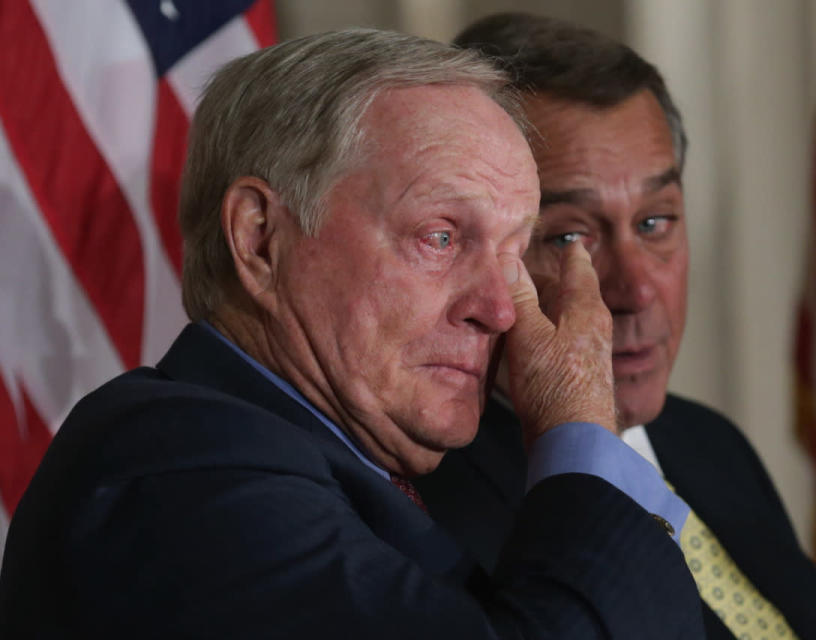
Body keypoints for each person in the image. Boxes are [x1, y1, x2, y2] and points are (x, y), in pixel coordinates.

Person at [0, 29, 707, 639]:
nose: (500, 309)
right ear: (260, 239)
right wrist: (577, 427)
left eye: (515, 254)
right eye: (440, 236)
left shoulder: (324, 462)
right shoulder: (172, 472)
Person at [414, 13, 816, 640]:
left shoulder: (708, 443)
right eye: (569, 236)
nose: (637, 288)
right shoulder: (430, 509)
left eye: (656, 222)